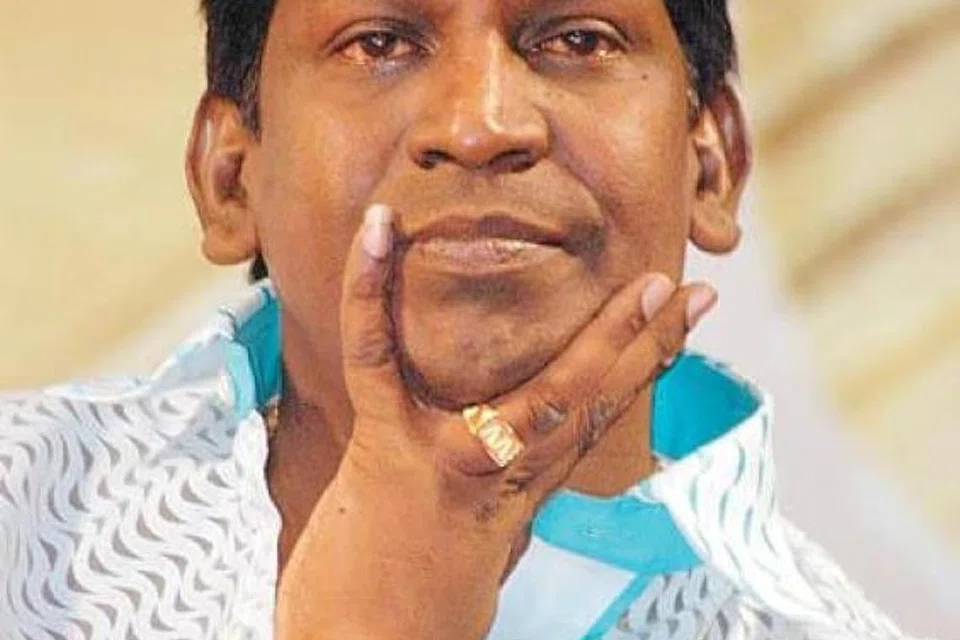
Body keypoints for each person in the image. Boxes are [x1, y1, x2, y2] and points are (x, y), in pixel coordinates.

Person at [0, 1, 930, 638]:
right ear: (229, 177)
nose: (481, 125)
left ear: (713, 166)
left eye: (577, 39)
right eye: (378, 42)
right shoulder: (26, 509)